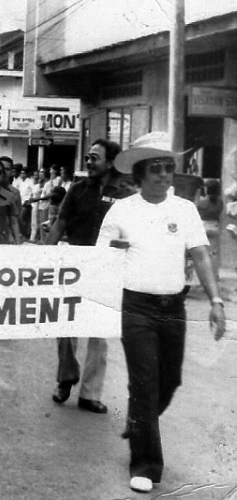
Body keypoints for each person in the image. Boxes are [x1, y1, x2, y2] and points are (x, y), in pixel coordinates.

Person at [96, 132, 226, 494]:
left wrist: (216, 302)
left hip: (174, 308)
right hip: (135, 307)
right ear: (139, 175)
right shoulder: (121, 210)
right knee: (144, 384)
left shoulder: (183, 209)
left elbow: (201, 254)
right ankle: (146, 465)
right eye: (156, 168)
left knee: (170, 381)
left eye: (169, 167)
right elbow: (101, 259)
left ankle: (140, 421)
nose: (165, 175)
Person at [44, 139, 136, 414]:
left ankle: (90, 394)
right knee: (65, 325)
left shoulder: (126, 194)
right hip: (75, 265)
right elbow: (61, 222)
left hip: (108, 270)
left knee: (99, 333)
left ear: (110, 162)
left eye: (94, 157)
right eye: (87, 157)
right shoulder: (78, 189)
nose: (89, 161)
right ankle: (66, 377)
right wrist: (43, 257)